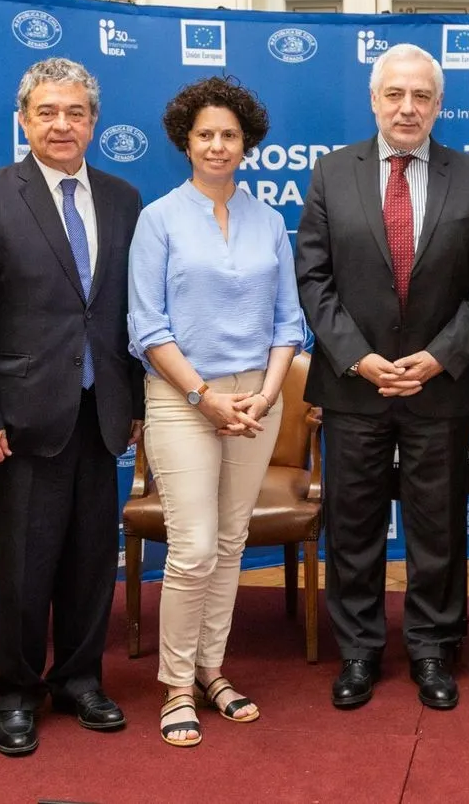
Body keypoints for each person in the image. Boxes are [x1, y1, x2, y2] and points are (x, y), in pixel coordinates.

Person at [0, 57, 143, 757]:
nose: (63, 124)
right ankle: (18, 691)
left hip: (100, 412)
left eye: (76, 112)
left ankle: (81, 678)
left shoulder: (123, 199)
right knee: (24, 565)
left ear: (94, 121)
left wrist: (136, 403)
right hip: (19, 421)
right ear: (23, 120)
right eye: (48, 112)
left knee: (92, 559)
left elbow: (123, 314)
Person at [297, 44, 469, 712]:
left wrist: (441, 355)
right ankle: (358, 650)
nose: (407, 108)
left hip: (440, 382)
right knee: (352, 524)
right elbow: (314, 279)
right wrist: (358, 356)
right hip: (355, 383)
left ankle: (433, 648)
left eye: (421, 97)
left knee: (438, 526)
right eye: (395, 95)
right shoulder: (331, 173)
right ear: (374, 100)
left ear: (439, 105)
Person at [128, 76, 306, 746]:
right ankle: (176, 685)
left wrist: (263, 394)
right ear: (186, 140)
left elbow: (290, 322)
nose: (218, 145)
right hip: (182, 398)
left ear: (247, 143)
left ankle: (211, 669)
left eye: (230, 135)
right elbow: (146, 327)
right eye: (206, 134)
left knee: (231, 544)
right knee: (194, 547)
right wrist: (204, 397)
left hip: (258, 398)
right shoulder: (159, 219)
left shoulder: (267, 222)